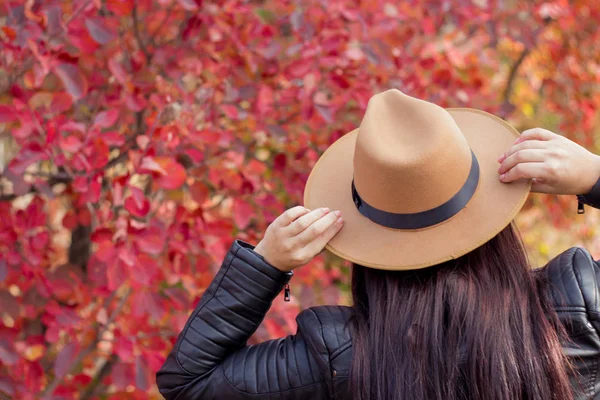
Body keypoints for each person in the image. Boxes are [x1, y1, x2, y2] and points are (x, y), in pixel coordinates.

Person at [156, 89, 600, 400]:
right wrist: (594, 176)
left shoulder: (340, 358)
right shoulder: (577, 306)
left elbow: (190, 382)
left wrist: (266, 264)